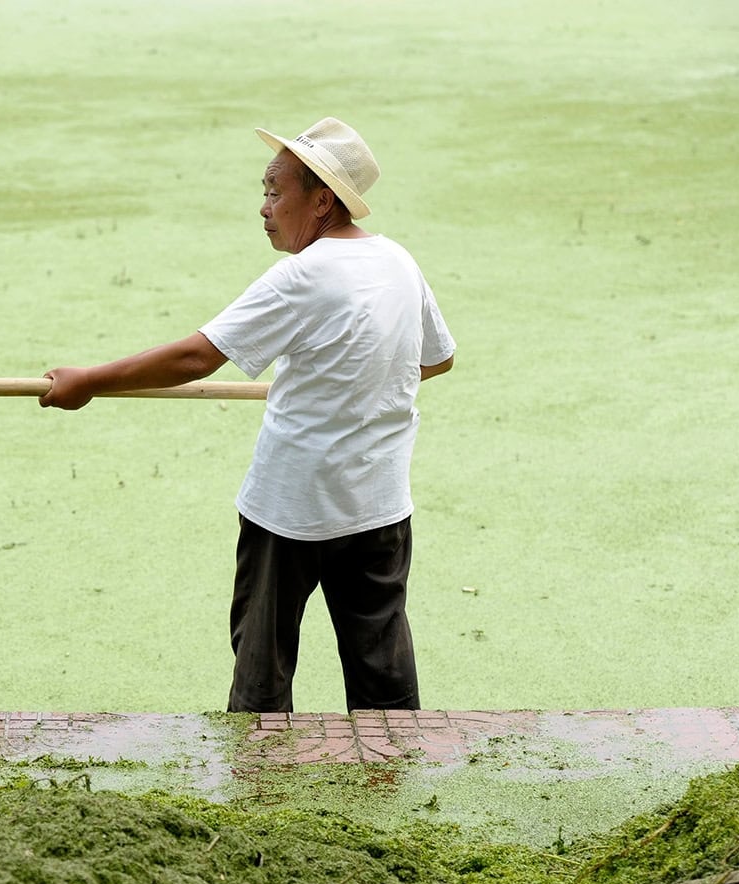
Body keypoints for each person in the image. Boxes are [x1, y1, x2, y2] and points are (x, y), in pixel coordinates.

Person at [39, 118, 455, 713]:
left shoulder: (303, 276)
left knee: (262, 678)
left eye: (273, 191)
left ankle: (259, 794)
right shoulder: (397, 261)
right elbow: (434, 361)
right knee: (384, 678)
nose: (264, 207)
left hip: (289, 514)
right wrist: (350, 380)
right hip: (379, 511)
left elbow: (195, 356)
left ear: (321, 200)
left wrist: (88, 382)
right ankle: (395, 788)